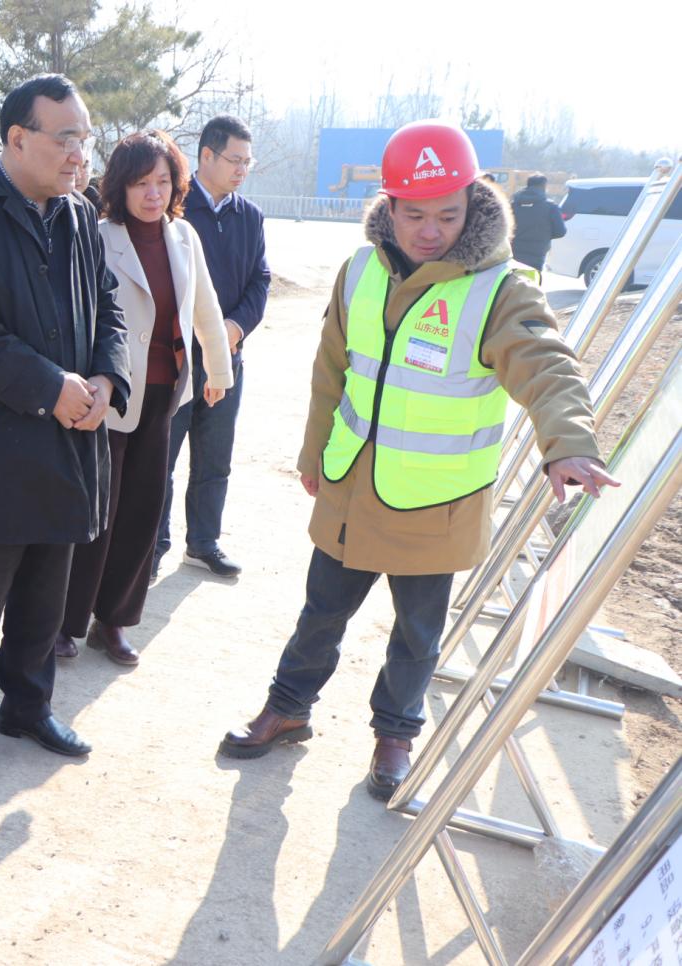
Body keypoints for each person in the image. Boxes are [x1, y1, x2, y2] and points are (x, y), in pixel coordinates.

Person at [218, 120, 618, 800]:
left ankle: (395, 735)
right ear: (390, 205)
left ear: (472, 204)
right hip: (352, 488)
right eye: (415, 215)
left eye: (447, 215)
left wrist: (569, 443)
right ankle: (287, 709)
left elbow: (547, 366)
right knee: (320, 612)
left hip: (437, 499)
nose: (430, 231)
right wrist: (314, 453)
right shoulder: (359, 272)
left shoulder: (501, 289)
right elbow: (331, 372)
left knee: (416, 633)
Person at [0, 74, 130, 785]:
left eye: (85, 138)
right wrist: (51, 388)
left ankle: (29, 706)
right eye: (66, 137)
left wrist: (105, 378)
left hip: (68, 436)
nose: (80, 153)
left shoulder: (77, 215)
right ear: (17, 139)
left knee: (46, 593)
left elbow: (108, 305)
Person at [58, 130, 233, 665]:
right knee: (95, 513)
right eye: (140, 183)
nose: (153, 194)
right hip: (109, 393)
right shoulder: (97, 234)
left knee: (141, 512)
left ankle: (112, 621)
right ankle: (65, 620)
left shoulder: (184, 236)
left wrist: (218, 370)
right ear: (121, 186)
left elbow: (205, 307)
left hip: (163, 395)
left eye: (162, 181)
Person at [155, 115, 270, 580]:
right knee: (161, 456)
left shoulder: (250, 216)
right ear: (206, 155)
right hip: (177, 357)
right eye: (234, 159)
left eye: (247, 161)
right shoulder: (175, 210)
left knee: (215, 457)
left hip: (228, 356)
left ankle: (203, 543)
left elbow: (260, 281)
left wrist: (233, 328)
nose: (242, 169)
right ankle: (152, 545)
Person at [510, 173, 567, 271]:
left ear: (528, 185)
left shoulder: (512, 205)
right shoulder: (550, 206)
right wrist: (544, 235)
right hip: (537, 253)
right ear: (544, 186)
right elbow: (560, 232)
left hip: (514, 251)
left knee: (513, 278)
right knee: (533, 278)